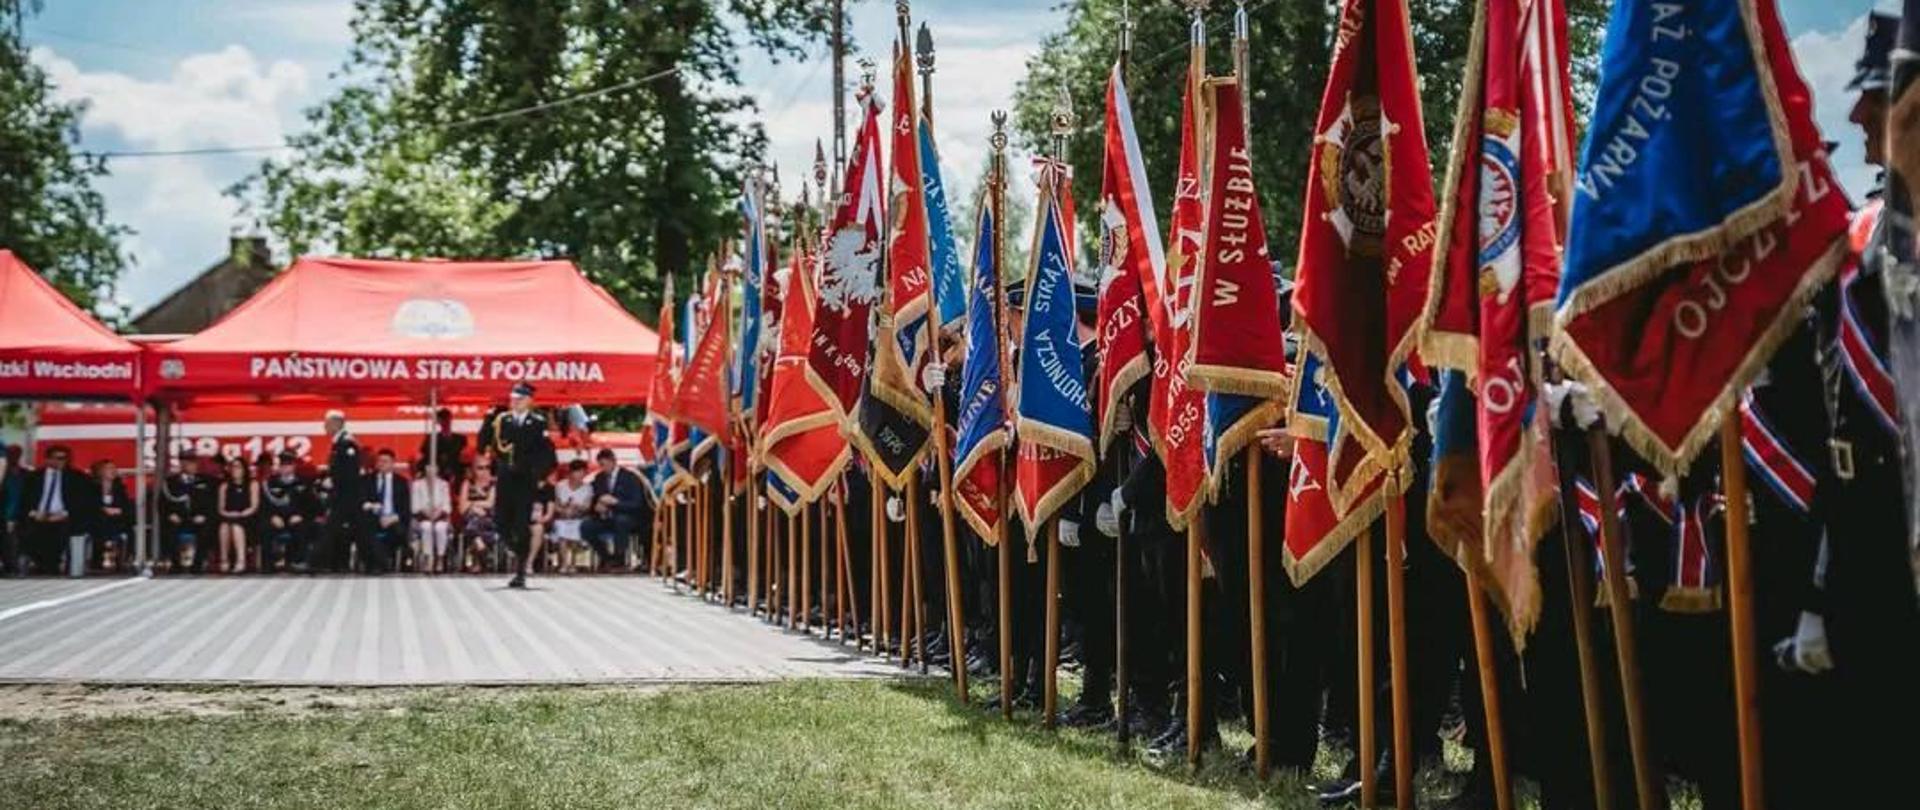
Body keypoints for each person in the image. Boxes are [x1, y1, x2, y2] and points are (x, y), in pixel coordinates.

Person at [488, 381, 556, 589]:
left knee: (521, 525)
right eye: (513, 399)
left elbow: (547, 452)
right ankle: (518, 550)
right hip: (506, 479)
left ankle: (520, 571)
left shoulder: (537, 423)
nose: (515, 402)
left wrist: (540, 475)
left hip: (525, 480)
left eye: (519, 399)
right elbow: (494, 446)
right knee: (500, 522)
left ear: (528, 401)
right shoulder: (503, 420)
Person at [310, 409, 365, 574]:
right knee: (362, 531)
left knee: (331, 528)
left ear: (337, 423)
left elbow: (350, 472)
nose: (325, 426)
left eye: (327, 423)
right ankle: (379, 561)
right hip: (342, 496)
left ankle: (315, 562)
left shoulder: (347, 444)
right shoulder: (338, 443)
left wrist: (333, 482)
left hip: (346, 496)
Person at [22, 445, 85, 576]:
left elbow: (81, 502)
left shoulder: (76, 477)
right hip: (37, 516)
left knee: (59, 532)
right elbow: (24, 499)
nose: (62, 461)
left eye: (64, 458)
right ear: (48, 460)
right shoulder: (34, 477)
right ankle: (39, 563)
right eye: (58, 458)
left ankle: (51, 566)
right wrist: (33, 513)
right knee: (30, 531)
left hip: (63, 517)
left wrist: (64, 514)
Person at [586, 448, 645, 571]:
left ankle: (619, 559)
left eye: (604, 464)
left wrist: (616, 503)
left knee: (621, 521)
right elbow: (594, 498)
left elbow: (637, 503)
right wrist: (596, 506)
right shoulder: (599, 478)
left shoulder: (630, 477)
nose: (603, 468)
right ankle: (606, 557)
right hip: (605, 517)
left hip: (627, 516)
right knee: (586, 526)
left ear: (613, 461)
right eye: (600, 465)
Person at [161, 451, 215, 572]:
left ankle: (197, 564)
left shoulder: (206, 481)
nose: (191, 465)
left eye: (193, 462)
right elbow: (162, 503)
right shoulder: (170, 482)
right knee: (168, 529)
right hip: (178, 518)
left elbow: (212, 502)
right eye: (187, 462)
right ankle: (176, 564)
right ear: (182, 464)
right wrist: (170, 514)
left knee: (207, 529)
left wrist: (204, 515)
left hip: (198, 519)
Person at [262, 451, 314, 572]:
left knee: (303, 527)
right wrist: (272, 516)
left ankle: (298, 562)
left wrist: (301, 516)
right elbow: (264, 505)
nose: (285, 467)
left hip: (296, 518)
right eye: (282, 464)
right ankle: (268, 564)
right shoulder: (271, 483)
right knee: (265, 527)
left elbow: (312, 506)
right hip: (277, 518)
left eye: (288, 464)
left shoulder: (303, 482)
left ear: (294, 465)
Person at [362, 448, 410, 573]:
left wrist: (393, 518)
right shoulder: (367, 480)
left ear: (392, 463)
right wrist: (370, 507)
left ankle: (387, 561)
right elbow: (361, 502)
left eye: (385, 461)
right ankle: (380, 564)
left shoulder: (401, 482)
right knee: (366, 529)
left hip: (393, 519)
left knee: (399, 531)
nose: (382, 464)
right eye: (380, 461)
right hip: (372, 518)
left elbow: (406, 508)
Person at [216, 456, 260, 574]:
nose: (235, 470)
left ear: (244, 469)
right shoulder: (224, 486)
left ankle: (241, 561)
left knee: (236, 526)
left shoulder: (253, 484)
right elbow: (220, 509)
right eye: (233, 467)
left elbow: (254, 506)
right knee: (224, 526)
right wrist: (230, 514)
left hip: (247, 518)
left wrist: (242, 514)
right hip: (229, 516)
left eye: (238, 467)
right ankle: (224, 560)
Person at [89, 460, 133, 573]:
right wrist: (103, 509)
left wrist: (119, 510)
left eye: (114, 468)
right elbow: (89, 504)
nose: (113, 471)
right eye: (109, 468)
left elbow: (126, 505)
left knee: (128, 528)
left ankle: (123, 560)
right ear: (100, 471)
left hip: (117, 520)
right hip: (97, 519)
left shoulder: (119, 486)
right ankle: (96, 561)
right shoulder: (92, 486)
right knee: (98, 526)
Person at [551, 459, 593, 574]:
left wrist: (577, 508)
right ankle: (564, 564)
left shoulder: (588, 488)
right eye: (578, 472)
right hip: (563, 518)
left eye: (583, 472)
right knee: (561, 528)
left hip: (579, 518)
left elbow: (587, 507)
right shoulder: (560, 486)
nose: (581, 475)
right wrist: (563, 511)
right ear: (571, 473)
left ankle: (573, 563)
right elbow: (555, 505)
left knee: (577, 528)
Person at [410, 461, 453, 573]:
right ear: (425, 468)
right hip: (422, 517)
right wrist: (426, 513)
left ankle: (440, 559)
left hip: (440, 517)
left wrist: (438, 513)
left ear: (437, 469)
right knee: (427, 527)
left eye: (434, 467)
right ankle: (428, 558)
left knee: (440, 528)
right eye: (428, 467)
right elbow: (415, 507)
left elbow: (447, 506)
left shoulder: (443, 484)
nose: (431, 470)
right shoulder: (417, 485)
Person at [461, 464, 499, 572]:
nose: (484, 471)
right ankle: (482, 551)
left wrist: (472, 504)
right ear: (474, 470)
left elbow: (490, 504)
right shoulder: (467, 484)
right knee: (473, 519)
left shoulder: (492, 485)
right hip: (470, 519)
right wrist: (475, 508)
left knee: (473, 522)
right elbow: (462, 508)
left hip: (488, 520)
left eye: (487, 468)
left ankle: (478, 558)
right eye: (480, 468)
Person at [419, 408, 469, 486]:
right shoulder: (431, 439)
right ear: (439, 421)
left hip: (457, 473)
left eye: (447, 418)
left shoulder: (460, 439)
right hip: (438, 474)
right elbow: (425, 456)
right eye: (443, 419)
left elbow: (464, 457)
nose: (446, 422)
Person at [2, 446, 24, 576]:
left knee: (9, 541)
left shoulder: (14, 473)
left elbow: (13, 497)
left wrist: (10, 517)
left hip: (6, 515)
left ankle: (11, 567)